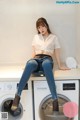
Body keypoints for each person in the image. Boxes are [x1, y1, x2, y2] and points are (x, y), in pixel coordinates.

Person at [7, 17, 69, 116]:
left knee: (46, 64)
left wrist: (60, 65)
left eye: (43, 26)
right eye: (39, 27)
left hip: (47, 59)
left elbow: (57, 52)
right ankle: (17, 96)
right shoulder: (36, 37)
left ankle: (55, 99)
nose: (41, 29)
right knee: (31, 63)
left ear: (46, 26)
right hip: (36, 59)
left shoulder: (54, 37)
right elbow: (34, 52)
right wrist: (28, 65)